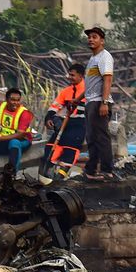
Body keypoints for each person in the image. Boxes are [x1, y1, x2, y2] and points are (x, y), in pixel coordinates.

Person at [39, 64, 86, 177]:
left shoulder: (88, 91)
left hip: (80, 125)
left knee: (70, 149)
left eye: (72, 75)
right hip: (64, 124)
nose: (69, 77)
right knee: (51, 147)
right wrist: (49, 118)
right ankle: (45, 175)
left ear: (81, 76)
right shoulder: (66, 91)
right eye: (69, 74)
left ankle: (60, 176)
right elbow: (55, 106)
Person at [82, 27, 116, 180]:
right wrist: (78, 100)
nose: (90, 39)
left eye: (94, 37)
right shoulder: (92, 60)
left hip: (99, 102)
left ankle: (107, 170)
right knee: (91, 137)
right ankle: (91, 170)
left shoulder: (104, 57)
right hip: (90, 102)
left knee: (101, 137)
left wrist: (104, 102)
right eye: (89, 37)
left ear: (102, 40)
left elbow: (107, 79)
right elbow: (90, 84)